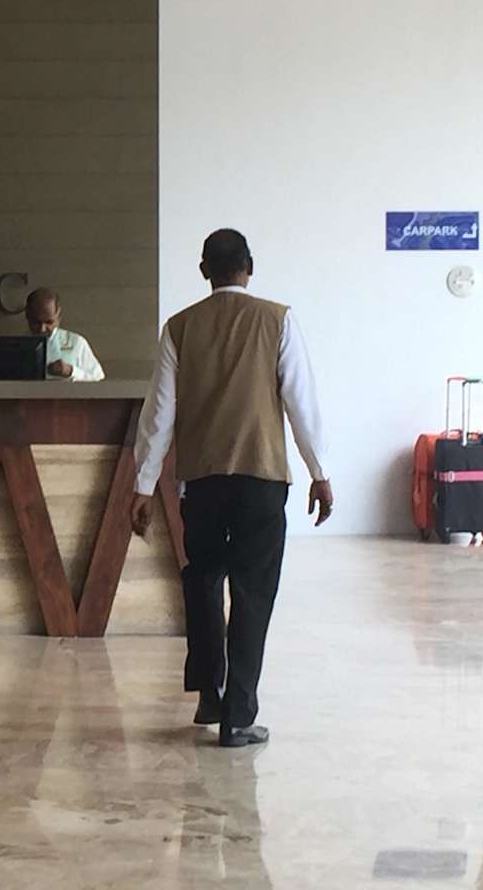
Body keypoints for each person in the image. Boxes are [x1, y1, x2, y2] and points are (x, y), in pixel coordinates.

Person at [130, 229, 333, 749]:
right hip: (261, 478)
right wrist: (320, 471)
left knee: (202, 581)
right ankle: (238, 717)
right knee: (252, 592)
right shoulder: (277, 319)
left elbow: (159, 413)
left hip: (201, 481)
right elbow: (301, 401)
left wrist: (144, 484)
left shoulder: (179, 328)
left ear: (204, 271)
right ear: (250, 266)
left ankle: (209, 695)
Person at [25, 287, 104, 381]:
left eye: (49, 322)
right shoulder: (16, 345)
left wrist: (71, 371)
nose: (42, 329)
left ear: (58, 317)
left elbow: (98, 377)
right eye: (36, 322)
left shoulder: (76, 343)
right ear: (27, 316)